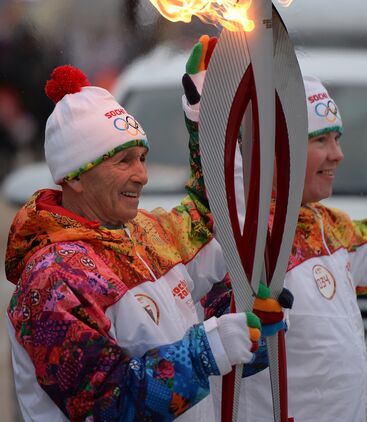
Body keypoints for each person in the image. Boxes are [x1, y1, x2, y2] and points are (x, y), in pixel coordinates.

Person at [5, 63, 287, 421]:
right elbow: (107, 403)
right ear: (74, 177)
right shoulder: (51, 281)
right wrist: (208, 349)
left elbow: (219, 215)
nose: (141, 175)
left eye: (142, 158)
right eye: (124, 161)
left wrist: (208, 117)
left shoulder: (148, 235)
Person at [182, 38, 367, 422]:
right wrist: (210, 114)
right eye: (320, 140)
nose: (338, 154)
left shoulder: (331, 228)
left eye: (337, 138)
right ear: (280, 148)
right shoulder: (244, 234)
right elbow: (223, 194)